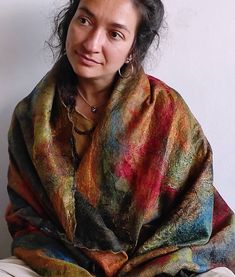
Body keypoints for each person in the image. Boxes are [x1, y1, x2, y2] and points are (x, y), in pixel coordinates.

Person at [1, 0, 235, 276]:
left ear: (132, 49)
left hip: (156, 260)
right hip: (62, 258)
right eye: (84, 20)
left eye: (115, 34)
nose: (91, 43)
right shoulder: (32, 116)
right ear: (69, 22)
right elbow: (28, 215)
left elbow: (193, 210)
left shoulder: (165, 112)